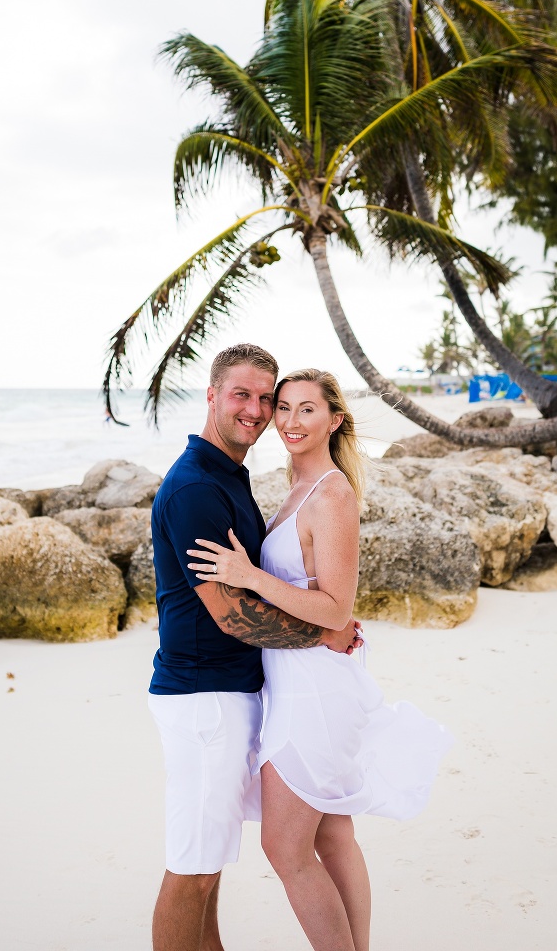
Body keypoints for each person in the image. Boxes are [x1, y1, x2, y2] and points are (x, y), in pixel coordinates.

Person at [189, 368, 454, 951]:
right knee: (331, 834)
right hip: (295, 681)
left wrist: (248, 576)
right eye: (282, 407)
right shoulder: (297, 489)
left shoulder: (332, 493)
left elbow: (336, 608)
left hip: (315, 691)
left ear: (334, 420)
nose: (288, 420)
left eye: (306, 409)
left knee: (286, 848)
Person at [148, 345, 362, 951]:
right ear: (212, 395)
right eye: (243, 394)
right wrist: (326, 631)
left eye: (267, 398)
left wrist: (328, 622)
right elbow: (234, 614)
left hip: (235, 695)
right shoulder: (194, 490)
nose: (258, 409)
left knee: (208, 869)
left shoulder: (230, 478)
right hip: (203, 697)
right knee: (192, 868)